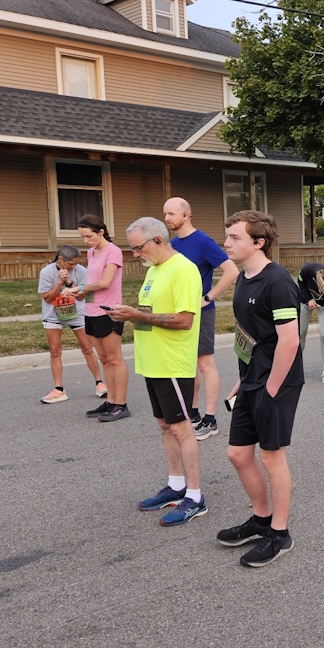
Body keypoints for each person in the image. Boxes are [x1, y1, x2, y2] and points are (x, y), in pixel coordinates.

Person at [215, 210, 304, 567]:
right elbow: (250, 335)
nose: (226, 243)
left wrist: (269, 388)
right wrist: (242, 379)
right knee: (237, 454)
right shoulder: (242, 278)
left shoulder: (278, 282)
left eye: (234, 237)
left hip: (276, 383)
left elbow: (289, 341)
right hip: (252, 379)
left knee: (271, 455)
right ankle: (261, 519)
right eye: (227, 236)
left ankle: (279, 535)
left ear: (258, 242)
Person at [107, 217, 205, 526]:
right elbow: (151, 314)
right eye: (132, 248)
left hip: (173, 362)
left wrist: (136, 314)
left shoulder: (184, 270)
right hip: (152, 361)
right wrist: (130, 314)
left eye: (138, 248)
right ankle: (175, 486)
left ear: (159, 241)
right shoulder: (154, 270)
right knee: (165, 425)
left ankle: (195, 496)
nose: (135, 255)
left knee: (181, 428)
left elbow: (184, 320)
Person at [163, 197, 238, 441]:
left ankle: (210, 419)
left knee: (205, 365)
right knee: (189, 364)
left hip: (201, 312)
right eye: (165, 214)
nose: (166, 219)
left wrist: (209, 296)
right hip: (182, 313)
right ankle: (193, 413)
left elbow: (231, 271)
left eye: (171, 214)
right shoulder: (173, 243)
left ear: (186, 215)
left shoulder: (203, 241)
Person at [77, 215, 130, 422]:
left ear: (100, 232)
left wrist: (80, 288)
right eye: (82, 237)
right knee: (104, 358)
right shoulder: (92, 252)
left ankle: (121, 404)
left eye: (89, 236)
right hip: (91, 310)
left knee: (115, 358)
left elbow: (106, 282)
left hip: (109, 311)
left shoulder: (113, 251)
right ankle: (111, 401)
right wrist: (82, 295)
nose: (86, 241)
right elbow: (93, 282)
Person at [36, 245, 103, 404]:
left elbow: (82, 297)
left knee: (87, 347)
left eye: (76, 263)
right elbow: (47, 298)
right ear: (60, 259)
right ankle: (59, 390)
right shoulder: (47, 272)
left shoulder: (81, 271)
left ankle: (99, 383)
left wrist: (69, 281)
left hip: (77, 313)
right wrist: (59, 282)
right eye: (71, 264)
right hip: (53, 314)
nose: (74, 266)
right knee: (55, 351)